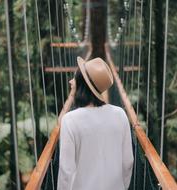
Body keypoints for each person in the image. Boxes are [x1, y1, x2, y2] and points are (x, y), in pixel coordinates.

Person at [57, 57, 134, 190]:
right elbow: (128, 162)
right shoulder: (120, 114)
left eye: (75, 78)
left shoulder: (70, 120)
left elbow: (66, 171)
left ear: (81, 85)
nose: (71, 81)